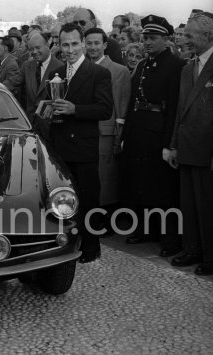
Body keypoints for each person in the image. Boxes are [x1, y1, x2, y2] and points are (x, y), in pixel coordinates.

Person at [43, 22, 113, 263]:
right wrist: (47, 110)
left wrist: (75, 110)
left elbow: (105, 109)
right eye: (65, 44)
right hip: (60, 147)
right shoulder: (57, 73)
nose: (70, 49)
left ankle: (91, 247)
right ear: (59, 45)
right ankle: (66, 244)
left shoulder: (98, 73)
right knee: (63, 198)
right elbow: (46, 103)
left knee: (88, 196)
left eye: (74, 44)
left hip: (83, 147)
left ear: (82, 43)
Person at [120, 15, 185, 256]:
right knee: (142, 182)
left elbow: (175, 108)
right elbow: (133, 102)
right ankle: (146, 230)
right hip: (139, 129)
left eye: (153, 38)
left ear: (165, 39)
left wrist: (170, 143)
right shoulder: (144, 64)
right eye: (145, 38)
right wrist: (126, 134)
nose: (147, 42)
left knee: (164, 187)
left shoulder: (175, 66)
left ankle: (169, 240)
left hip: (159, 131)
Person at [168, 11, 213, 274]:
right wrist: (173, 145)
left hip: (207, 149)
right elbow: (179, 112)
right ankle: (192, 248)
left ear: (208, 36)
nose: (184, 38)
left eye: (190, 34)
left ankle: (210, 255)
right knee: (189, 202)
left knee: (208, 204)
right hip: (186, 146)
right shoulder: (187, 69)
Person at [84, 28, 131, 213]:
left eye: (96, 43)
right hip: (85, 131)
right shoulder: (81, 67)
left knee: (106, 177)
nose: (93, 47)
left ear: (104, 45)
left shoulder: (119, 71)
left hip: (106, 132)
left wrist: (118, 136)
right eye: (89, 43)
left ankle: (105, 219)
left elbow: (122, 106)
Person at [10, 32, 63, 139]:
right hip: (30, 127)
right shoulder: (27, 66)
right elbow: (12, 82)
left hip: (51, 129)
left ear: (48, 45)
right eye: (31, 49)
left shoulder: (60, 68)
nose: (34, 52)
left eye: (38, 47)